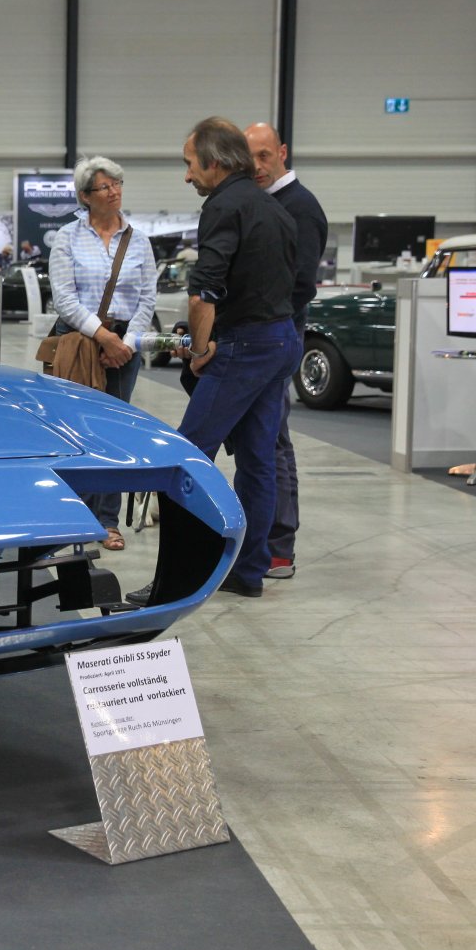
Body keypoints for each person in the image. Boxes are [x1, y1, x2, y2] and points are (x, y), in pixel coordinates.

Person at [140, 116, 298, 600]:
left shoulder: (223, 206)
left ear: (214, 161)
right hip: (280, 340)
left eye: (190, 164)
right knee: (257, 461)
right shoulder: (274, 209)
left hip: (245, 347)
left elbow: (203, 293)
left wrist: (201, 349)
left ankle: (176, 582)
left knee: (185, 459)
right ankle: (248, 572)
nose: (187, 175)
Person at [47, 155, 158, 552]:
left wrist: (126, 343)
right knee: (75, 428)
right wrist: (103, 337)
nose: (114, 192)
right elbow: (64, 298)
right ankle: (74, 514)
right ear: (85, 196)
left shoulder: (139, 240)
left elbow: (147, 298)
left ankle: (107, 520)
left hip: (124, 347)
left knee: (113, 431)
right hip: (80, 341)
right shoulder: (67, 238)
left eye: (117, 184)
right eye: (104, 186)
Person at [245, 122, 328, 580]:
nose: (257, 166)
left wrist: (263, 327)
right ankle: (265, 541)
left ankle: (278, 547)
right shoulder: (266, 203)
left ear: (282, 152)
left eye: (264, 155)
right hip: (266, 336)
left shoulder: (300, 207)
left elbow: (301, 286)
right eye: (249, 158)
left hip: (278, 337)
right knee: (263, 441)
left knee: (273, 441)